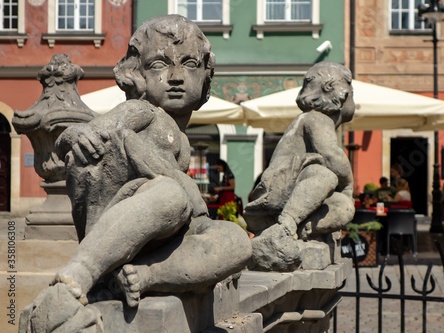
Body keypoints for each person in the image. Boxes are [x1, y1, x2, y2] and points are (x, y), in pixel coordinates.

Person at [48, 15, 251, 310]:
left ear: (206, 74)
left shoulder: (179, 137)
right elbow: (83, 134)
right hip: (120, 221)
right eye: (159, 64)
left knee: (236, 241)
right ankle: (81, 273)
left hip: (158, 239)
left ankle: (143, 276)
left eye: (190, 64)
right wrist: (75, 135)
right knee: (170, 196)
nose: (177, 76)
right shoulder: (142, 110)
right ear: (137, 75)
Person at [244, 62, 356, 271]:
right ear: (339, 95)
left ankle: (304, 229)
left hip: (299, 186)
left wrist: (346, 196)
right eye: (352, 93)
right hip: (282, 185)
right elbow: (332, 156)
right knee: (326, 176)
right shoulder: (316, 118)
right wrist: (349, 185)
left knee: (344, 206)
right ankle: (286, 225)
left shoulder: (321, 121)